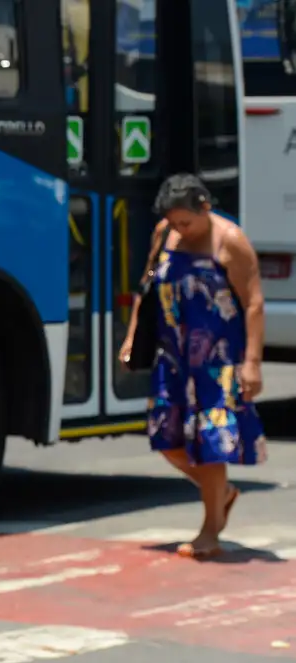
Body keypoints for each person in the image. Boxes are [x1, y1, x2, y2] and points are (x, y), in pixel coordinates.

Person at [120, 173, 268, 559]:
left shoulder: (230, 240)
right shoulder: (163, 234)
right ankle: (223, 495)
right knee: (167, 442)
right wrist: (132, 337)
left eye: (185, 222)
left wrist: (252, 363)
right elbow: (147, 286)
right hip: (174, 357)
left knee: (210, 446)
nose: (179, 229)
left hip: (217, 362)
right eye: (173, 222)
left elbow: (253, 302)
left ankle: (210, 531)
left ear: (205, 207)